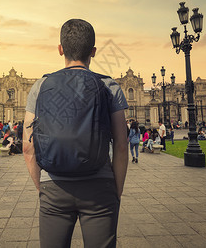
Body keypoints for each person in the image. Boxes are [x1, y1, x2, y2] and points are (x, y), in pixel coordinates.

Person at [23, 19, 128, 248]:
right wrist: (116, 191)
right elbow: (121, 144)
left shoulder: (41, 85)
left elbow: (27, 147)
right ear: (93, 51)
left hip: (54, 186)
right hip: (100, 187)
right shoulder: (109, 86)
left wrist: (43, 188)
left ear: (60, 49)